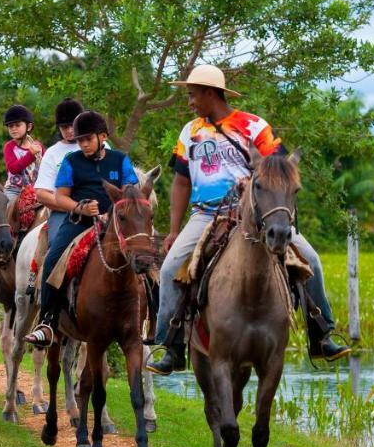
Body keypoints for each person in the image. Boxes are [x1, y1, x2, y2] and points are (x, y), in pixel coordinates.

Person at [146, 65, 350, 374]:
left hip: (252, 214)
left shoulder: (254, 126)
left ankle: (321, 333)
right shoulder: (190, 132)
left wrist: (254, 181)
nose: (190, 102)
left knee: (311, 259)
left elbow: (280, 169)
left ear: (211, 93)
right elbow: (181, 182)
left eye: (193, 95)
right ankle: (170, 346)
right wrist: (174, 230)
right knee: (173, 266)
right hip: (205, 214)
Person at [24, 110, 139, 347]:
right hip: (79, 223)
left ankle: (158, 324)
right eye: (80, 140)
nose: (83, 144)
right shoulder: (71, 161)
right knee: (53, 259)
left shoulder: (120, 160)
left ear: (103, 136)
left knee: (150, 258)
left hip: (117, 224)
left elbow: (132, 193)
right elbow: (60, 197)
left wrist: (115, 212)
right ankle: (47, 322)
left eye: (88, 139)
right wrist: (80, 208)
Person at [33, 98, 85, 244]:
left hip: (100, 208)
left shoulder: (101, 144)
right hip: (64, 214)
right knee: (56, 245)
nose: (69, 130)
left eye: (72, 125)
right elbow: (41, 193)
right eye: (64, 127)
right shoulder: (52, 153)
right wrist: (73, 207)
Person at [2, 105, 43, 201]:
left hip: (36, 190)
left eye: (17, 125)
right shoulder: (9, 147)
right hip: (14, 190)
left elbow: (45, 167)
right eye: (10, 126)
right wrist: (30, 155)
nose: (13, 129)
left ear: (28, 126)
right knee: (7, 208)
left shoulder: (38, 146)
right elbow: (13, 168)